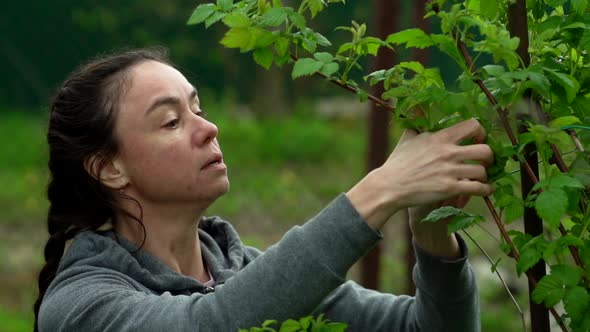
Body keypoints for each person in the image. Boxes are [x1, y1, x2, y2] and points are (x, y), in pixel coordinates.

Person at [34, 48, 494, 332]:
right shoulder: (82, 306)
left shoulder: (247, 273)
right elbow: (212, 325)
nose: (209, 129)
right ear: (109, 168)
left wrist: (433, 243)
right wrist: (382, 189)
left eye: (199, 109)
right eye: (171, 121)